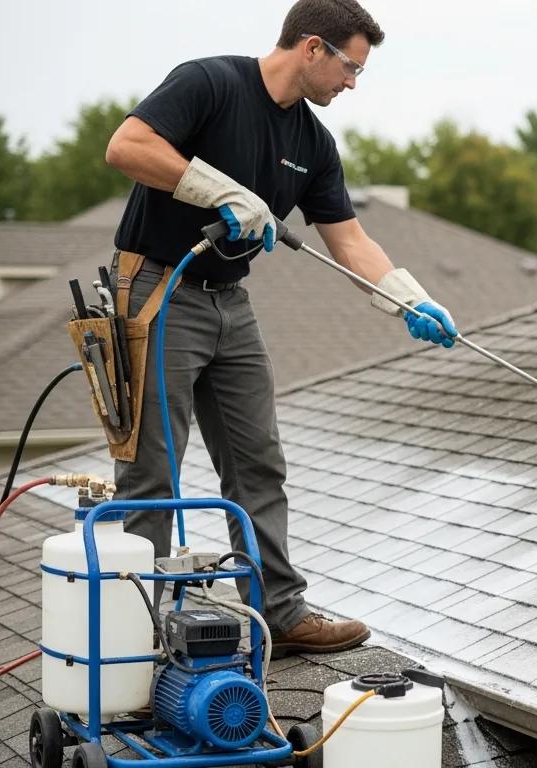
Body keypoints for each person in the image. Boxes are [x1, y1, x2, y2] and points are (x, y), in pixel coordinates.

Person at [104, 0, 453, 657]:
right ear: (312, 48)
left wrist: (411, 300)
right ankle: (131, 633)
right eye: (350, 67)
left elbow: (349, 242)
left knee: (258, 460)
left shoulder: (313, 144)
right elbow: (127, 146)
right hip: (158, 285)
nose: (352, 83)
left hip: (228, 299)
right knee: (152, 474)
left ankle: (280, 612)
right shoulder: (210, 84)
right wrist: (217, 190)